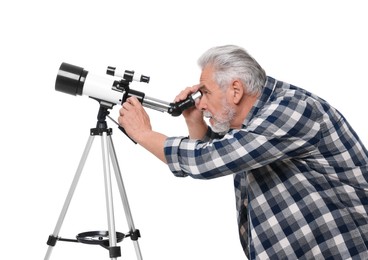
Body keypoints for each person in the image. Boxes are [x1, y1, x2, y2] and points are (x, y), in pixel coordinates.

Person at [118, 45, 368, 259]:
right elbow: (223, 151)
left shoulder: (291, 109)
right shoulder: (253, 125)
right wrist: (195, 121)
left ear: (235, 90)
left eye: (205, 92)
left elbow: (205, 161)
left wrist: (142, 133)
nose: (201, 102)